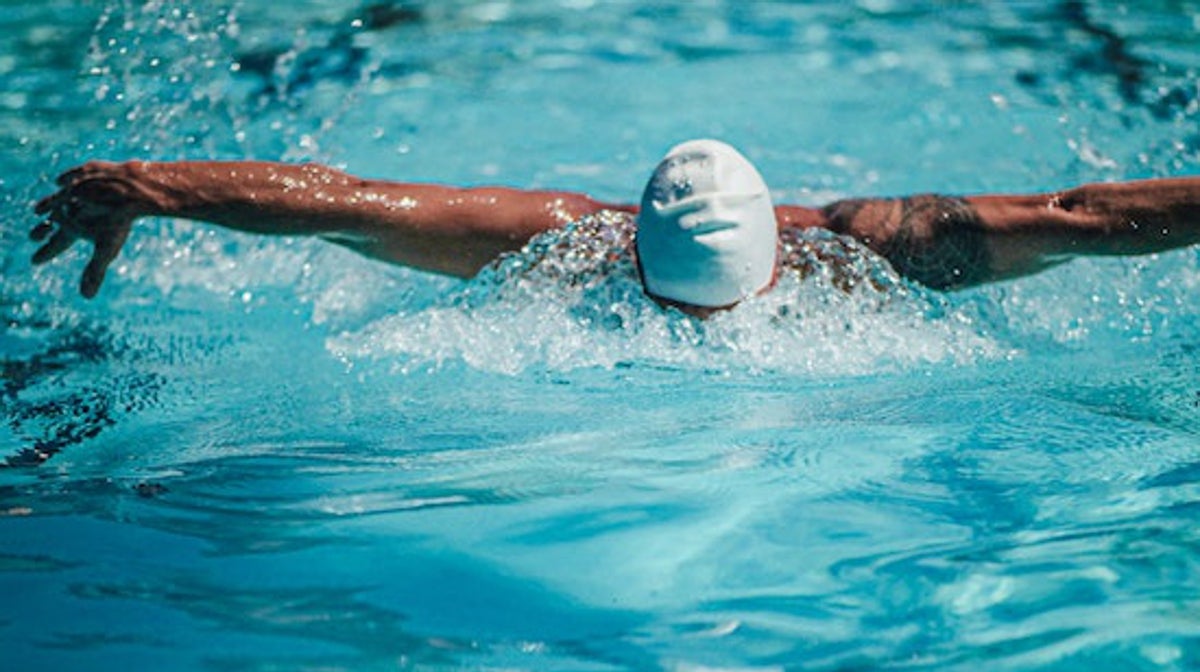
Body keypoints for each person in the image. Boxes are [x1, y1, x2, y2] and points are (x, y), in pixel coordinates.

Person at [30, 139, 1200, 317]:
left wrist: (156, 187)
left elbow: (1082, 216)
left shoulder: (877, 249)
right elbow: (1081, 222)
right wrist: (154, 186)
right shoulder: (561, 240)